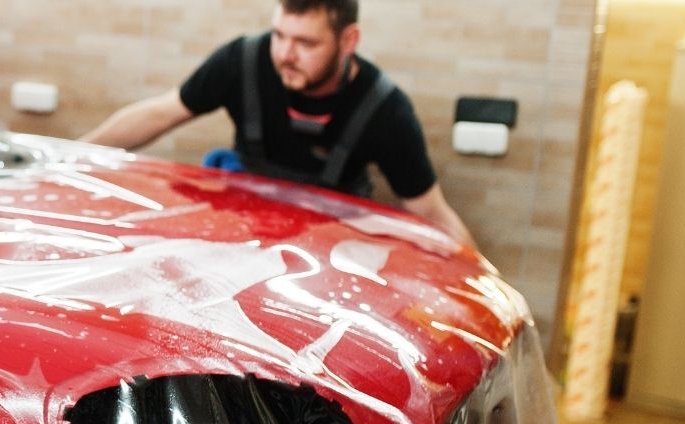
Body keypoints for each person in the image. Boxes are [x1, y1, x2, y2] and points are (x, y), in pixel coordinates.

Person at [80, 0, 476, 248]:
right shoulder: (243, 61)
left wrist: (483, 281)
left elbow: (430, 211)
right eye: (279, 36)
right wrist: (75, 155)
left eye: (306, 44)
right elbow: (161, 112)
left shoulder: (384, 110)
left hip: (330, 247)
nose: (285, 54)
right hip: (244, 234)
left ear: (348, 40)